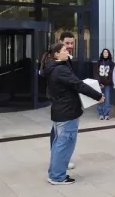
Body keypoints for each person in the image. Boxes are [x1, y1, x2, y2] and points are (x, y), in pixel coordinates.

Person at [41, 43, 104, 185]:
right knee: (64, 144)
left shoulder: (53, 68)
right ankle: (57, 176)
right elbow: (78, 84)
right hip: (67, 111)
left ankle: (55, 173)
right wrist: (97, 95)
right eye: (64, 50)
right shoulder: (60, 70)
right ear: (56, 54)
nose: (67, 51)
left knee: (59, 144)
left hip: (61, 110)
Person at [49, 32, 77, 171]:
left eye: (72, 43)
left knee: (59, 134)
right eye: (67, 44)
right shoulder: (56, 62)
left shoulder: (68, 59)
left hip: (64, 103)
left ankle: (58, 162)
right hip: (62, 104)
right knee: (60, 135)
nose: (70, 46)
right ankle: (57, 164)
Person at [96, 48, 114, 120]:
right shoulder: (99, 62)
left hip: (108, 84)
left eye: (107, 52)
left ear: (108, 54)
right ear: (102, 54)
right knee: (99, 98)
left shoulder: (111, 63)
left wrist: (107, 82)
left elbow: (111, 74)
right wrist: (99, 82)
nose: (105, 53)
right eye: (104, 52)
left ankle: (106, 114)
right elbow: (97, 73)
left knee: (107, 100)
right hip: (100, 84)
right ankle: (100, 114)